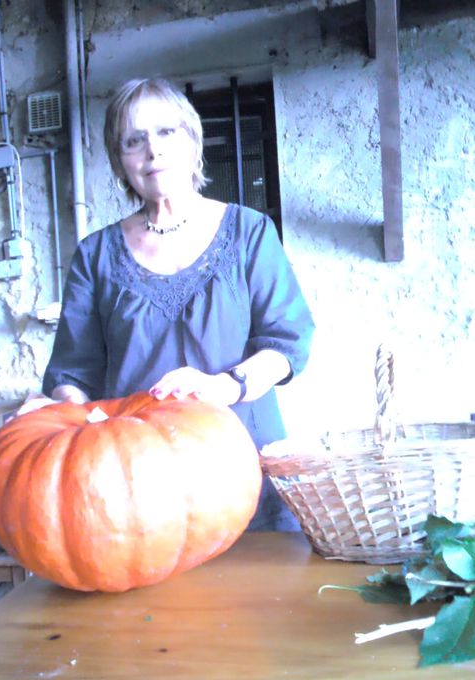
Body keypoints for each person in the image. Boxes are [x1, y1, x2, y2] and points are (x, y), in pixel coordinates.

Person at [35, 77, 315, 530]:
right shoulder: (94, 255)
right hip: (136, 486)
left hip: (246, 468)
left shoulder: (249, 233)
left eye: (167, 132)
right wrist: (58, 410)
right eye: (134, 139)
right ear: (120, 160)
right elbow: (73, 372)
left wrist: (225, 387)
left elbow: (288, 343)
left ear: (193, 141)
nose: (153, 150)